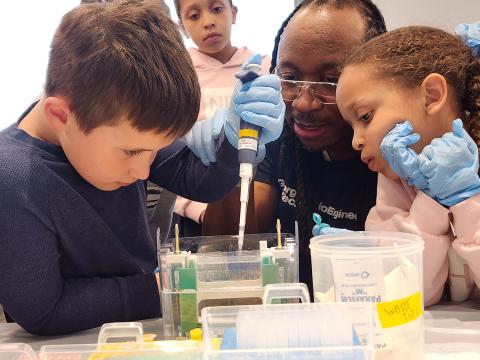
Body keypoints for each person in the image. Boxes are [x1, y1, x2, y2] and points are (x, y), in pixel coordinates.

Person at [0, 0, 284, 335]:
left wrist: (232, 143)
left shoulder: (115, 131)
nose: (145, 172)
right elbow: (43, 311)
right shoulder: (14, 176)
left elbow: (199, 182)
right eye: (132, 151)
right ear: (61, 117)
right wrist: (167, 287)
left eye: (154, 151)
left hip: (138, 333)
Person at [196, 0, 386, 294]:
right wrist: (229, 158)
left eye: (330, 81)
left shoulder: (397, 153)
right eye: (289, 77)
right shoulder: (278, 136)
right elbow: (228, 250)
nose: (303, 103)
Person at [325, 25, 480, 306]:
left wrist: (467, 202)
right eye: (351, 127)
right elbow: (407, 293)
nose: (355, 142)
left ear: (431, 95)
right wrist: (431, 203)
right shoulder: (396, 178)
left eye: (366, 117)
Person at [165, 0, 271, 236]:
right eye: (194, 15)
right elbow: (170, 151)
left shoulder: (261, 67)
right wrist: (199, 209)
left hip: (254, 198)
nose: (208, 21)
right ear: (182, 27)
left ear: (233, 13)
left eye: (217, 9)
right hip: (194, 211)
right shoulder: (178, 73)